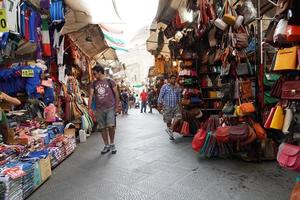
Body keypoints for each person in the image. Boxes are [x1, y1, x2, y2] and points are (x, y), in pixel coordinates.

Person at [88, 65, 120, 155]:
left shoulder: (110, 81)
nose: (94, 75)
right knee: (102, 128)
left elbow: (116, 94)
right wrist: (89, 108)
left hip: (110, 107)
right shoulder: (93, 83)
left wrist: (117, 106)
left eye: (94, 73)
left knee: (111, 126)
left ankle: (112, 143)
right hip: (99, 109)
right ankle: (106, 145)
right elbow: (90, 95)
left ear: (100, 72)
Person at [158, 75, 181, 140]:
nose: (174, 80)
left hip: (175, 105)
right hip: (167, 106)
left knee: (179, 117)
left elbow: (179, 97)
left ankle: (171, 129)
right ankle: (171, 135)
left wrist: (180, 106)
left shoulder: (177, 87)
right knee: (168, 121)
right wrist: (159, 105)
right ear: (169, 79)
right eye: (172, 78)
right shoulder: (165, 86)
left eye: (174, 78)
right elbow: (160, 96)